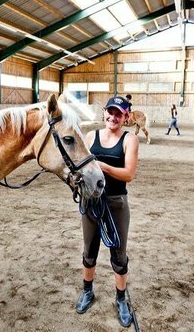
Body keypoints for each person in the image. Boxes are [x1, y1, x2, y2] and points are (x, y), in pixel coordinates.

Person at [75, 96, 139, 327]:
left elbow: (129, 174)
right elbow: (80, 167)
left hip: (116, 203)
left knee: (119, 254)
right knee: (89, 250)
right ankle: (87, 291)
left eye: (118, 113)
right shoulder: (91, 136)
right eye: (110, 112)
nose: (113, 117)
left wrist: (102, 167)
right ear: (104, 113)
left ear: (126, 117)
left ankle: (121, 300)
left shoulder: (129, 140)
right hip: (92, 202)